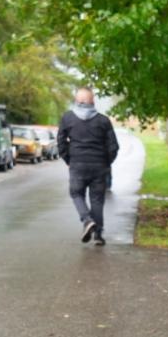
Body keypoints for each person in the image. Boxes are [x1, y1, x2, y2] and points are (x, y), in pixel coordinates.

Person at [57, 87, 118, 245]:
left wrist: (68, 160)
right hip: (99, 166)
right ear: (93, 101)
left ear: (76, 101)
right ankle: (98, 235)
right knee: (97, 199)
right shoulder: (103, 120)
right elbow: (113, 146)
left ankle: (86, 220)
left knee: (77, 194)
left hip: (77, 164)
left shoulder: (68, 118)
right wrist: (106, 162)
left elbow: (61, 142)